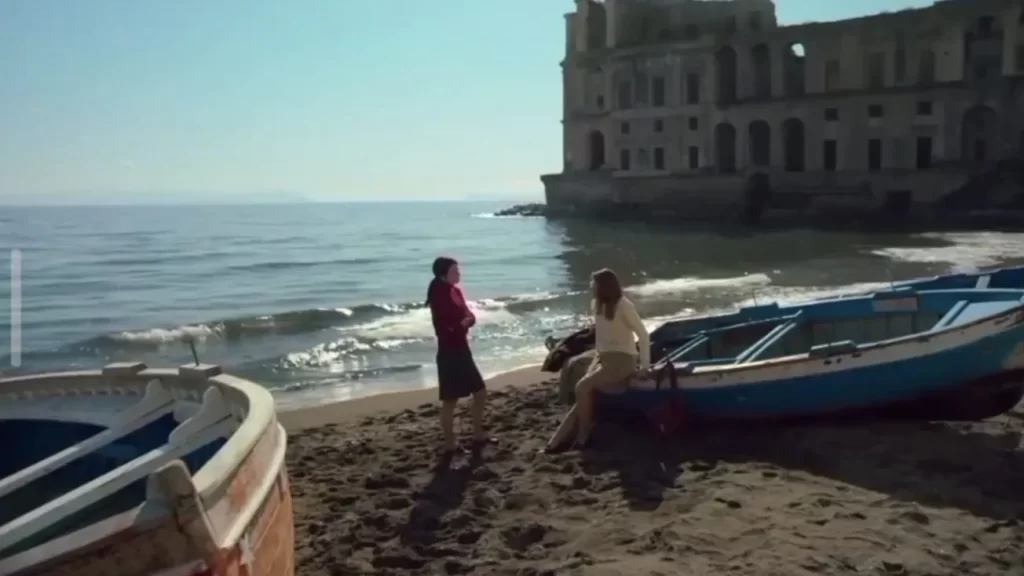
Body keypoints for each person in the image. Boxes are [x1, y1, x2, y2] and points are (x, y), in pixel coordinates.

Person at [546, 268, 650, 452]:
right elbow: (601, 339)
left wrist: (645, 367)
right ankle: (554, 444)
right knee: (583, 396)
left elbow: (643, 335)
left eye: (593, 283)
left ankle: (584, 434)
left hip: (623, 360)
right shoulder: (596, 305)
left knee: (582, 387)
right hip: (603, 358)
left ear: (603, 286)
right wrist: (595, 361)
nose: (591, 286)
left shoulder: (623, 305)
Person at [426, 256, 489, 454]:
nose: (458, 273)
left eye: (458, 269)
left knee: (480, 392)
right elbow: (444, 329)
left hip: (462, 349)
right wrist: (461, 325)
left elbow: (469, 315)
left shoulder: (456, 291)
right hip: (449, 352)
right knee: (450, 401)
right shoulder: (439, 295)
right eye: (454, 270)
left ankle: (478, 434)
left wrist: (468, 321)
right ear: (443, 274)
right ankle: (450, 444)